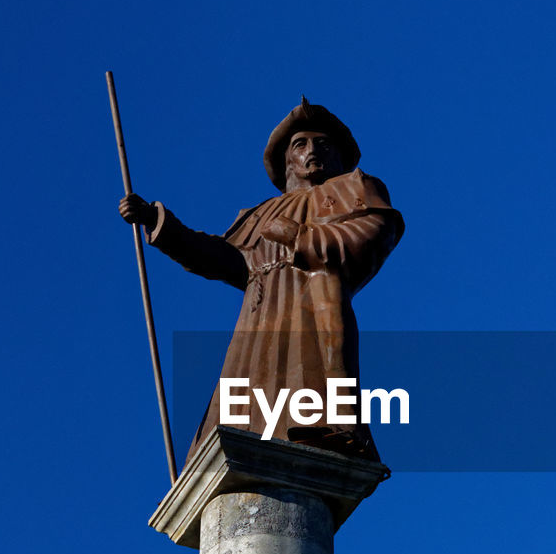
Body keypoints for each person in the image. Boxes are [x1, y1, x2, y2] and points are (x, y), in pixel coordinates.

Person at [119, 98, 404, 464]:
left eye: (323, 143)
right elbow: (225, 258)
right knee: (239, 406)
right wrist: (158, 222)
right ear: (288, 160)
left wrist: (300, 238)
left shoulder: (356, 188)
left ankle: (333, 429)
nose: (313, 150)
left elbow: (374, 232)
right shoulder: (259, 213)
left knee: (315, 377)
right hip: (261, 312)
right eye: (300, 144)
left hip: (315, 301)